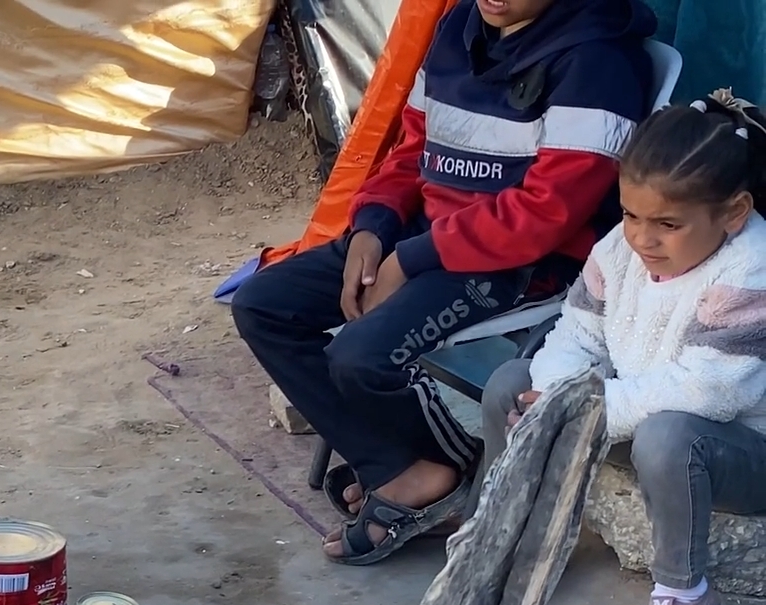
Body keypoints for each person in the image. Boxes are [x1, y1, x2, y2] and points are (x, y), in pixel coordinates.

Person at [232, 0, 656, 565]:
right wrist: (373, 227)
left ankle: (432, 468)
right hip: (423, 234)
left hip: (520, 264)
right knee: (263, 303)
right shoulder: (458, 26)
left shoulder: (599, 62)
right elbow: (412, 150)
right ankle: (403, 466)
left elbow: (544, 215)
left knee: (360, 356)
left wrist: (410, 259)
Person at [475, 92, 766, 605]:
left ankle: (687, 593)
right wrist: (554, 393)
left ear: (733, 214)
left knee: (669, 436)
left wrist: (588, 407)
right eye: (632, 216)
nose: (643, 238)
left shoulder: (749, 268)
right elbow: (580, 330)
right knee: (512, 383)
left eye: (668, 224)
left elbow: (709, 390)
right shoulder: (621, 249)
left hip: (736, 446)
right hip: (635, 399)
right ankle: (516, 532)